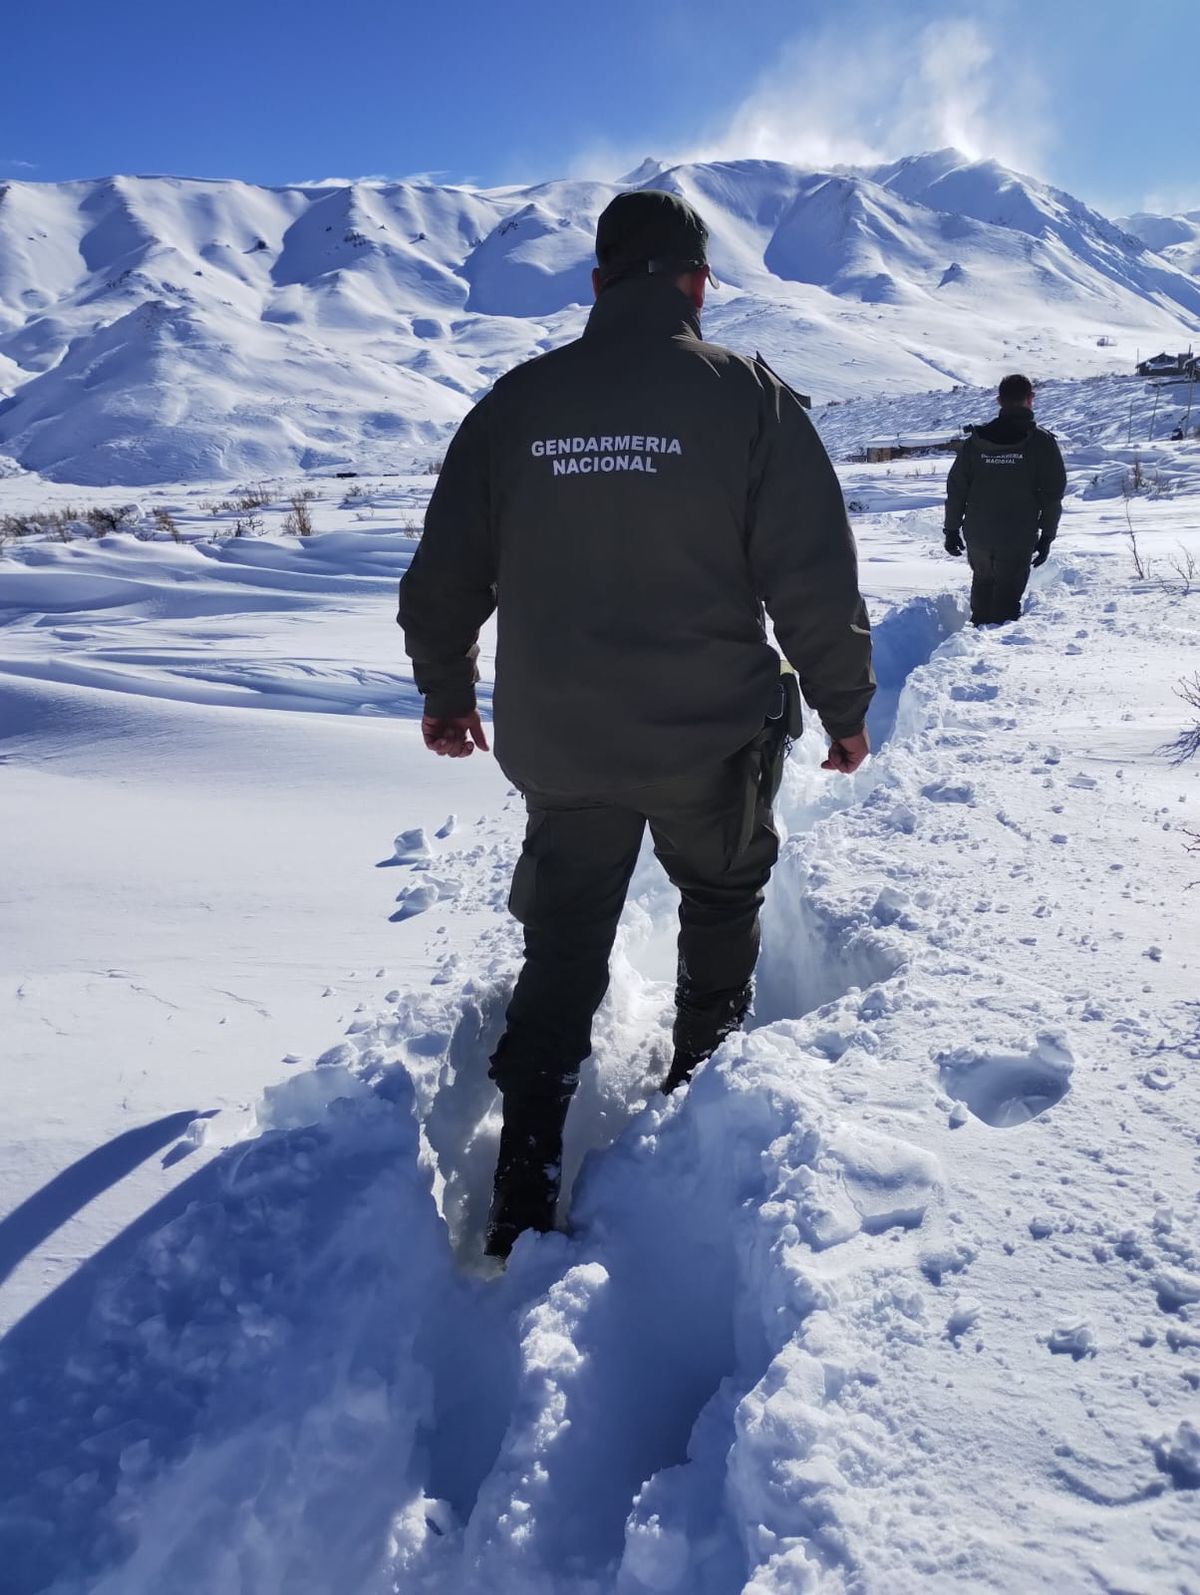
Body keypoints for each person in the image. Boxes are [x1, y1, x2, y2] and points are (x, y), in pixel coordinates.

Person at [397, 190, 876, 1258]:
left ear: (599, 281)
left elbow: (443, 576)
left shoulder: (517, 403)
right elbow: (810, 573)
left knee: (563, 946)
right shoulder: (748, 398)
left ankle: (523, 1181)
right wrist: (845, 704)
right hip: (710, 741)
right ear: (698, 282)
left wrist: (446, 691)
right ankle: (701, 1097)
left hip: (563, 746)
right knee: (721, 897)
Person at [943, 374, 1067, 625]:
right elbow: (1053, 495)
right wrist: (1047, 536)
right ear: (1031, 399)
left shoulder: (977, 440)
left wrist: (951, 529)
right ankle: (995, 642)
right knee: (1007, 601)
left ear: (999, 401)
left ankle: (977, 633)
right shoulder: (1041, 442)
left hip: (978, 534)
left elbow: (957, 489)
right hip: (1017, 535)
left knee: (982, 582)